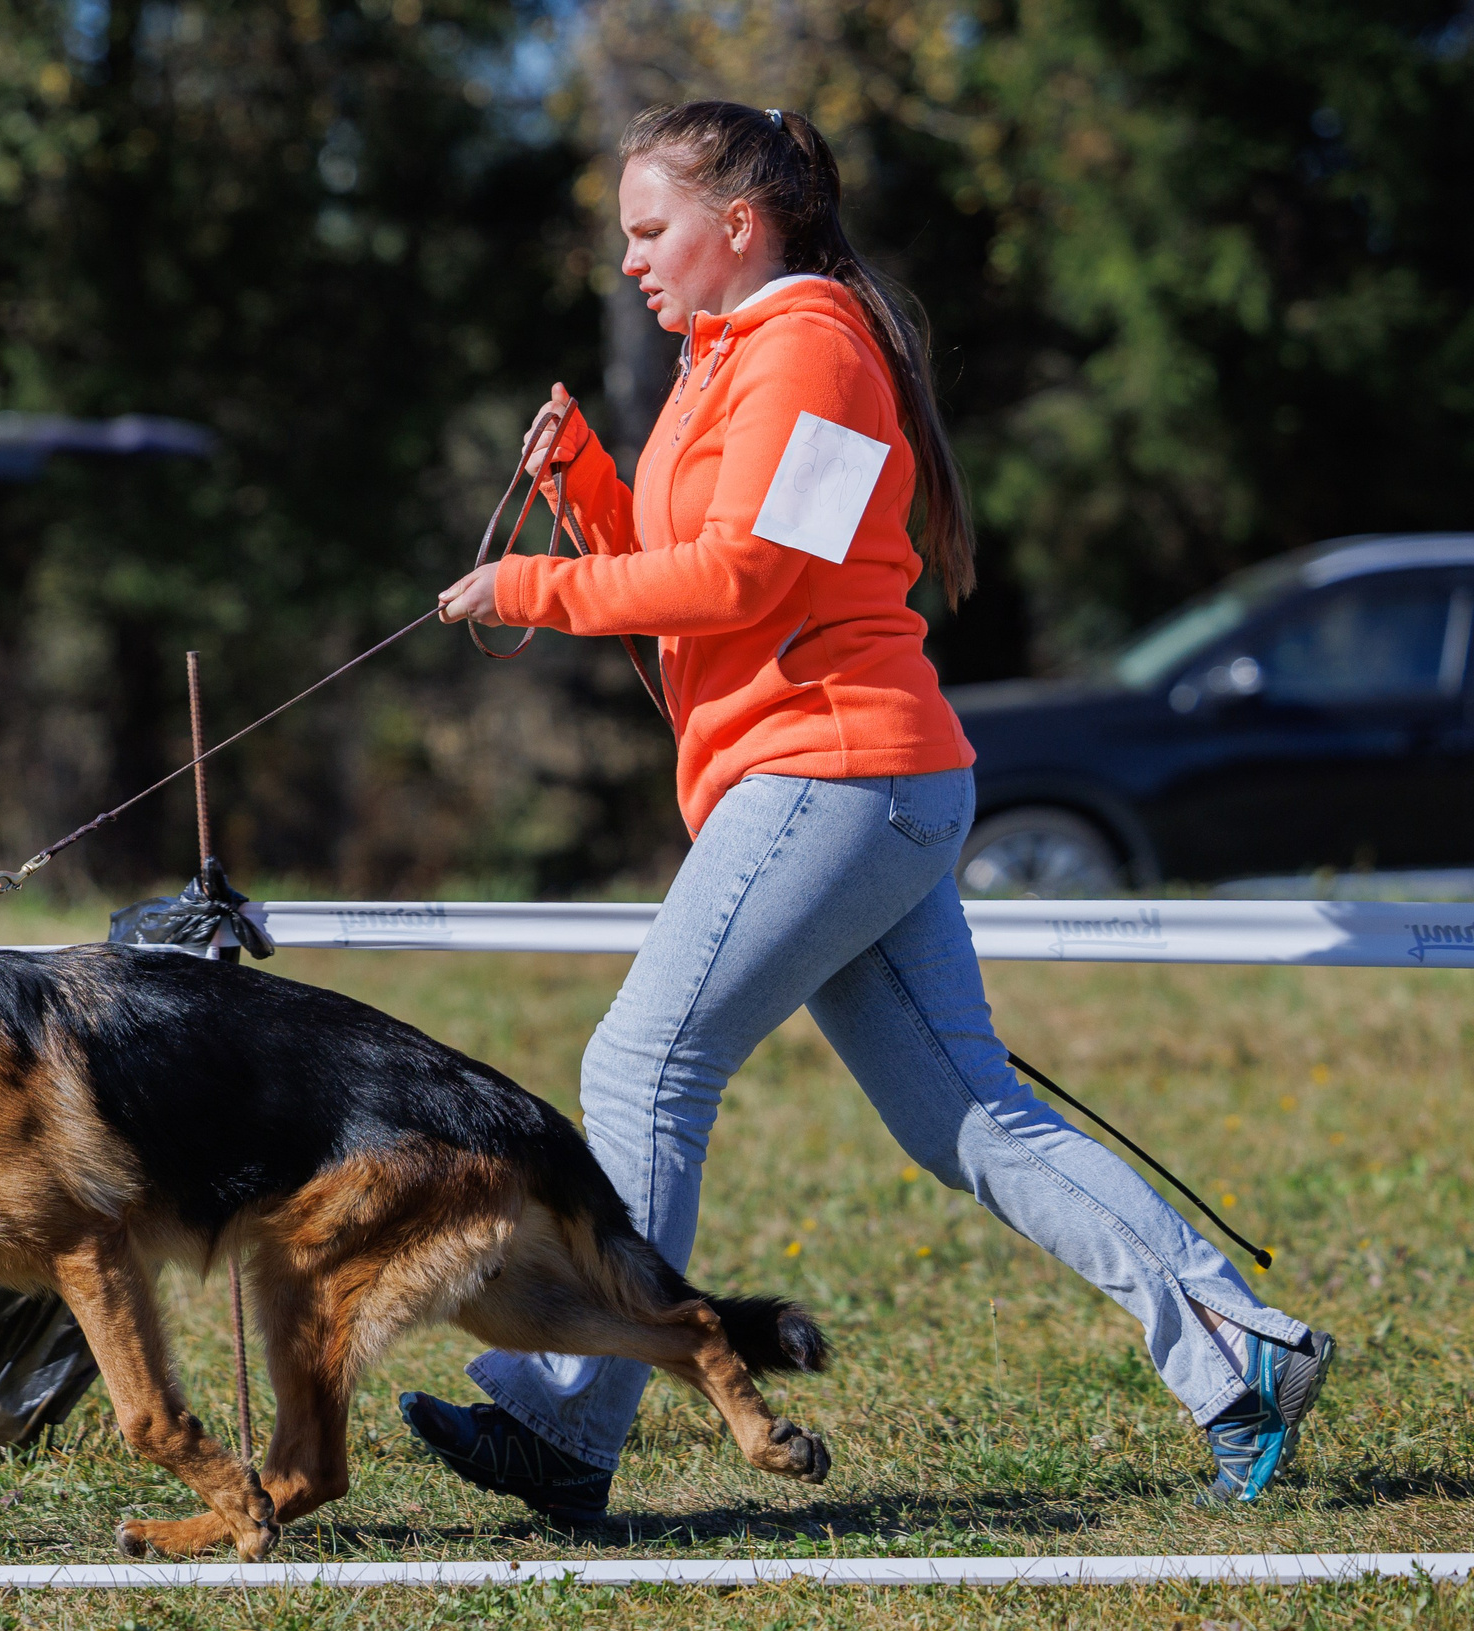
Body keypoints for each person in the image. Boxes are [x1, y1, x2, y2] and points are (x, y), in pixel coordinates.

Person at [408, 99, 1329, 1514]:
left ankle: (571, 1421)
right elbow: (711, 573)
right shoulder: (751, 357)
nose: (635, 263)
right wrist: (588, 488)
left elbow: (746, 584)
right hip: (861, 781)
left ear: (741, 222)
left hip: (835, 773)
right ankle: (1240, 1350)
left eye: (650, 232)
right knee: (968, 1120)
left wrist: (532, 585)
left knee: (645, 1068)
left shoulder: (810, 348)